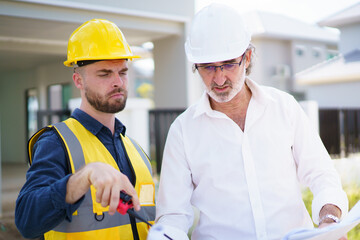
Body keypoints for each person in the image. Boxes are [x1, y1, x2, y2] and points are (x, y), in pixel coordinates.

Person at [155, 3, 348, 240]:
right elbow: (172, 215)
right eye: (207, 67)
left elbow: (322, 175)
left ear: (247, 57)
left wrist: (330, 221)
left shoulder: (284, 108)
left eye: (227, 63)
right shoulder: (183, 131)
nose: (219, 77)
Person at [15, 19, 155, 240]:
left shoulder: (136, 150)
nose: (118, 81)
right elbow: (26, 220)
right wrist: (83, 177)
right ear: (78, 80)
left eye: (123, 72)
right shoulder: (56, 142)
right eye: (105, 73)